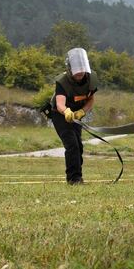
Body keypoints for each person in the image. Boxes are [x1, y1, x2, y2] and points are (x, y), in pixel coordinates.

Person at [50, 48, 98, 185]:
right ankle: (73, 179)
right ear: (70, 69)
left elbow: (90, 100)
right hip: (60, 115)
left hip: (77, 115)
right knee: (72, 145)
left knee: (79, 146)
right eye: (77, 72)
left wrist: (82, 112)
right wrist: (66, 112)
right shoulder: (62, 82)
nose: (80, 74)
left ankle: (78, 176)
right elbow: (60, 104)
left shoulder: (91, 79)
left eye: (82, 71)